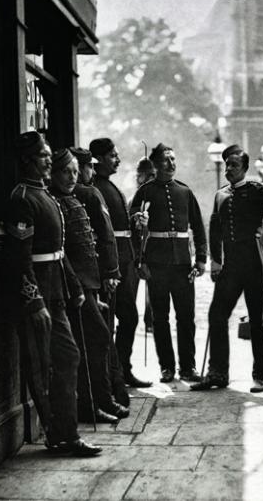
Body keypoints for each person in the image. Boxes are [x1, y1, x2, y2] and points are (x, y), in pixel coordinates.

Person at [4, 131, 101, 456]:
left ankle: (65, 432)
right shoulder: (21, 198)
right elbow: (19, 258)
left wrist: (74, 287)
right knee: (42, 367)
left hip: (56, 293)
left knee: (67, 357)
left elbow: (59, 252)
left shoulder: (43, 194)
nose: (49, 159)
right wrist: (34, 302)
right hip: (39, 299)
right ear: (28, 160)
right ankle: (59, 436)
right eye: (44, 155)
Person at [191, 144, 263, 393]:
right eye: (226, 164)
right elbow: (214, 228)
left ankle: (261, 375)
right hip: (231, 264)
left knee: (256, 318)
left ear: (245, 168)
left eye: (234, 165)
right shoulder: (220, 195)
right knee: (216, 314)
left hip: (254, 261)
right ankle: (217, 373)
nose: (228, 168)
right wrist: (216, 261)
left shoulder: (256, 191)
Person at [50, 149, 129, 423]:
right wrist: (81, 288)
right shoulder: (55, 202)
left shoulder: (74, 198)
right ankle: (94, 404)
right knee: (92, 340)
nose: (72, 177)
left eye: (75, 171)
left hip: (88, 284)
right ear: (53, 173)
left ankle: (101, 401)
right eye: (66, 172)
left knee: (96, 340)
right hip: (74, 287)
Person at [130, 143, 207, 383]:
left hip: (183, 264)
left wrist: (202, 258)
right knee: (160, 319)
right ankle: (167, 368)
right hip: (156, 265)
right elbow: (133, 230)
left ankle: (188, 367)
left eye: (173, 159)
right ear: (155, 164)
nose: (171, 164)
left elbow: (198, 227)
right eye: (166, 160)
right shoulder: (144, 192)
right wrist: (139, 261)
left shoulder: (185, 191)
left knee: (186, 317)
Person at [70, 147, 130, 408]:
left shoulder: (79, 193)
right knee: (101, 335)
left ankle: (108, 394)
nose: (89, 172)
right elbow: (105, 236)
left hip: (87, 277)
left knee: (96, 336)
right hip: (94, 277)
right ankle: (110, 395)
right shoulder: (90, 193)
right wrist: (111, 273)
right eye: (88, 167)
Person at [89, 137, 152, 388]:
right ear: (99, 159)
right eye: (113, 155)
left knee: (128, 317)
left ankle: (121, 370)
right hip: (110, 266)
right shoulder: (96, 189)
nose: (118, 159)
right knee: (113, 319)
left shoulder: (110, 187)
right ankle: (111, 375)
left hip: (125, 262)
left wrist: (134, 220)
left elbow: (119, 226)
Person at [131, 156, 156, 333]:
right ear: (140, 176)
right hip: (134, 251)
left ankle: (150, 320)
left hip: (153, 250)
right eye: (148, 175)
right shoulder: (133, 201)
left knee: (153, 291)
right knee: (130, 293)